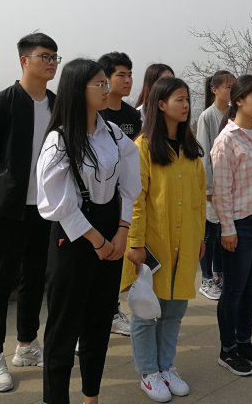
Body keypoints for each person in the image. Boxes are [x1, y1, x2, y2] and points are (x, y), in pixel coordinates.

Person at [36, 59, 141, 404]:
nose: (106, 89)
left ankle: (91, 396)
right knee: (63, 328)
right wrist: (96, 239)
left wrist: (122, 230)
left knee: (99, 321)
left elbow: (129, 185)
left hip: (112, 232)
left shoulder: (112, 133)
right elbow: (57, 202)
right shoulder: (60, 139)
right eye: (99, 84)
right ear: (77, 89)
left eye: (105, 83)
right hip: (75, 238)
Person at [0, 32, 59, 391]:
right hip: (8, 209)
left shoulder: (57, 104)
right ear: (24, 61)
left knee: (35, 278)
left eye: (54, 57)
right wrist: (5, 189)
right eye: (44, 56)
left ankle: (26, 345)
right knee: (0, 281)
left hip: (45, 208)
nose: (51, 62)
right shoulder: (1, 104)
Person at [121, 77, 206, 402]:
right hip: (153, 245)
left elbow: (199, 201)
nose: (186, 105)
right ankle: (148, 372)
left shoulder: (190, 150)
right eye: (179, 99)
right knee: (147, 311)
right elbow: (136, 200)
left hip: (185, 242)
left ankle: (166, 366)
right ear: (160, 104)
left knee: (174, 310)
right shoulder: (143, 148)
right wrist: (135, 243)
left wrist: (200, 237)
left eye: (187, 99)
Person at [211, 75, 252, 377]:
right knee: (234, 290)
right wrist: (227, 228)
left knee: (251, 288)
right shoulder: (226, 141)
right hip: (239, 225)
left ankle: (245, 342)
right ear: (239, 101)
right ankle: (228, 349)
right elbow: (221, 191)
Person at [97, 51, 143, 337]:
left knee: (117, 257)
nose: (127, 80)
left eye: (130, 75)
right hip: (99, 196)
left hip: (123, 197)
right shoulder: (97, 113)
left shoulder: (131, 115)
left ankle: (112, 312)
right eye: (121, 75)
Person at [195, 70, 235, 300]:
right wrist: (208, 188)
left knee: (222, 231)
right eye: (228, 86)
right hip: (212, 186)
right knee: (209, 233)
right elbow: (203, 153)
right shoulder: (207, 116)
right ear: (214, 89)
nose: (231, 90)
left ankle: (219, 275)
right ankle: (206, 278)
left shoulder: (232, 113)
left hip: (228, 185)